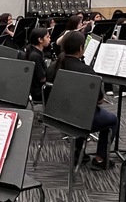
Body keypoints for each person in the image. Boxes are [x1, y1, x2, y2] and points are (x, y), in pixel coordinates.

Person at [46, 30, 118, 171]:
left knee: (79, 107)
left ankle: (79, 152)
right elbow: (99, 100)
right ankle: (100, 159)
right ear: (80, 48)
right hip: (78, 119)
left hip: (55, 115)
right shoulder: (86, 71)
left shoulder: (53, 66)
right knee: (112, 120)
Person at [23, 28, 51, 103]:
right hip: (39, 92)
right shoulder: (35, 56)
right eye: (47, 37)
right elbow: (42, 79)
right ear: (40, 40)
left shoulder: (36, 52)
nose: (50, 39)